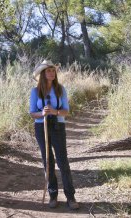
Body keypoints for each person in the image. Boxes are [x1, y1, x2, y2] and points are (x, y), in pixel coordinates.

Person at [29, 60, 80, 210]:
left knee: (63, 161)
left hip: (58, 127)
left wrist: (55, 112)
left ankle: (70, 197)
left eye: (53, 70)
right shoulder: (35, 91)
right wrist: (42, 113)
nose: (51, 73)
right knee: (48, 162)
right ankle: (53, 195)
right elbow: (32, 113)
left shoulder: (60, 89)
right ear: (42, 74)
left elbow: (66, 111)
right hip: (41, 128)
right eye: (48, 70)